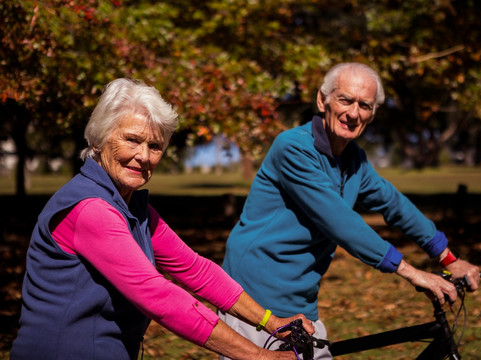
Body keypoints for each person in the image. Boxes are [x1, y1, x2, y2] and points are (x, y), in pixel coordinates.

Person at [10, 78, 313, 360]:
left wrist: (273, 322)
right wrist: (260, 356)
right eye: (132, 140)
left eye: (155, 146)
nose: (143, 155)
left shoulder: (130, 206)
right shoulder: (91, 209)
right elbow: (159, 296)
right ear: (100, 139)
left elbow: (196, 270)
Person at [220, 63, 481, 359]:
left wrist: (447, 256)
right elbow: (340, 222)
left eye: (364, 105)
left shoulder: (353, 160)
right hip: (253, 296)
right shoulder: (293, 148)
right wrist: (411, 273)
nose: (353, 113)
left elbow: (394, 204)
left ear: (372, 113)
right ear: (323, 100)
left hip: (301, 300)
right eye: (345, 100)